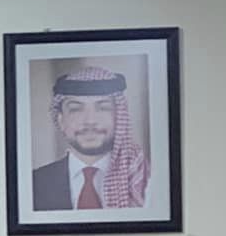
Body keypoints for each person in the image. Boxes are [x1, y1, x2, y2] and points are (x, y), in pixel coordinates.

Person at [30, 65, 150, 212]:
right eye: (76, 109)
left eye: (103, 108)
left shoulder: (143, 179)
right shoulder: (33, 184)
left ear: (119, 117)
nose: (90, 121)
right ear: (61, 121)